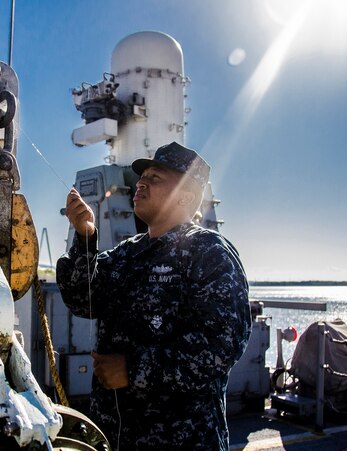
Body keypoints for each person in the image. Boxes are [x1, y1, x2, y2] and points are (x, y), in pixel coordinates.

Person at [56, 141, 251, 450]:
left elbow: (220, 347)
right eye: (142, 176)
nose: (141, 182)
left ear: (185, 196)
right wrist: (85, 238)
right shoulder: (127, 253)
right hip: (116, 436)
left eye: (155, 178)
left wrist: (132, 369)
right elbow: (82, 300)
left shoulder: (209, 252)